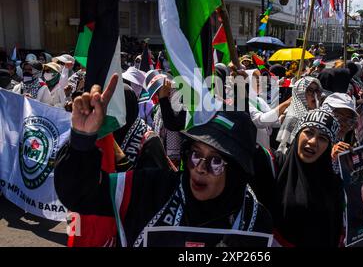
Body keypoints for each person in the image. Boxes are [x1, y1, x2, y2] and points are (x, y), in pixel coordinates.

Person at [54, 75, 273, 247]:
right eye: (195, 154)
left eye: (216, 161)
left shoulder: (255, 223)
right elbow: (79, 196)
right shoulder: (149, 189)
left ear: (236, 171)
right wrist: (82, 142)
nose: (200, 168)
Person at [273, 109, 344, 247]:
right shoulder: (275, 164)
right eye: (309, 132)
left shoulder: (334, 182)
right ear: (298, 134)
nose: (312, 142)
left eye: (322, 138)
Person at [246, 69, 291, 150]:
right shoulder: (243, 102)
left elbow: (274, 122)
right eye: (254, 79)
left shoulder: (259, 100)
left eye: (258, 78)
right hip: (252, 148)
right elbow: (261, 121)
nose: (259, 81)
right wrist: (286, 103)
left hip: (264, 147)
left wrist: (287, 113)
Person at [276, 77, 322, 154]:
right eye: (310, 90)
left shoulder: (316, 115)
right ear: (300, 93)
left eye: (317, 91)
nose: (315, 95)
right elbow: (285, 149)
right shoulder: (293, 117)